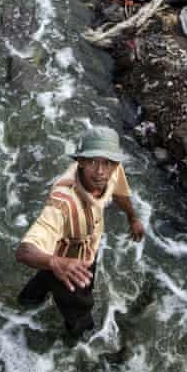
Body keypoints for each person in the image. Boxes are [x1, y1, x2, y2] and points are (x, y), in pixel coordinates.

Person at [14, 127, 145, 336]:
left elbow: (119, 192)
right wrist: (56, 262)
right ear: (81, 161)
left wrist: (133, 218)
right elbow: (23, 251)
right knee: (80, 311)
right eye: (93, 161)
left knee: (46, 275)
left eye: (108, 162)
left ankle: (27, 300)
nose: (101, 171)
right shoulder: (62, 203)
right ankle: (79, 343)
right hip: (70, 264)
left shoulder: (112, 171)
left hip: (79, 244)